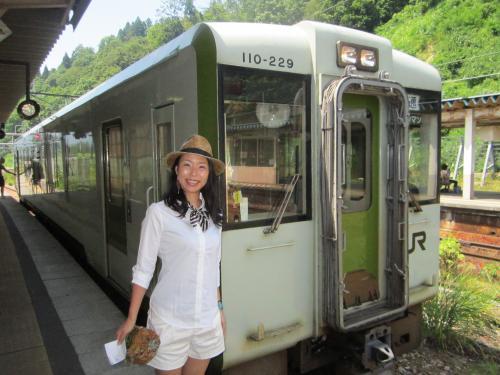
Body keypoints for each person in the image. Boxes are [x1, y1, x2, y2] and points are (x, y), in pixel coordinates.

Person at [116, 135, 226, 375]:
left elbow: (212, 268)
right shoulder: (159, 213)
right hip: (170, 321)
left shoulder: (214, 216)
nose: (193, 173)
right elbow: (143, 269)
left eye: (201, 166)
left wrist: (220, 310)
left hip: (207, 321)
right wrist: (132, 318)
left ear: (209, 174)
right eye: (187, 164)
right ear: (176, 169)